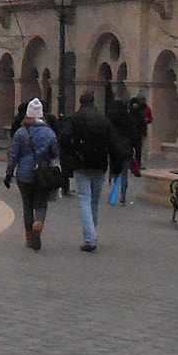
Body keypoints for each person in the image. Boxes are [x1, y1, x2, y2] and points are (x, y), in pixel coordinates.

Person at [2, 99, 60, 251]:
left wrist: (9, 173)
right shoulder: (49, 132)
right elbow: (55, 152)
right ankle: (38, 226)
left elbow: (14, 155)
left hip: (24, 175)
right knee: (41, 205)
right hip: (42, 173)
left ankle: (29, 237)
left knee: (27, 206)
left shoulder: (21, 133)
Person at [61, 92, 113, 251]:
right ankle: (92, 233)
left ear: (80, 102)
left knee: (84, 198)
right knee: (94, 201)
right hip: (100, 163)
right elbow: (112, 141)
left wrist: (72, 152)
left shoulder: (75, 118)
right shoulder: (102, 119)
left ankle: (90, 238)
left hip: (81, 163)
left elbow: (63, 137)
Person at [104, 96, 136, 205]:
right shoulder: (129, 118)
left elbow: (106, 134)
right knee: (124, 174)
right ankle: (123, 197)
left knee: (114, 172)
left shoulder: (110, 119)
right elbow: (134, 135)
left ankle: (113, 195)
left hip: (114, 149)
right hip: (126, 149)